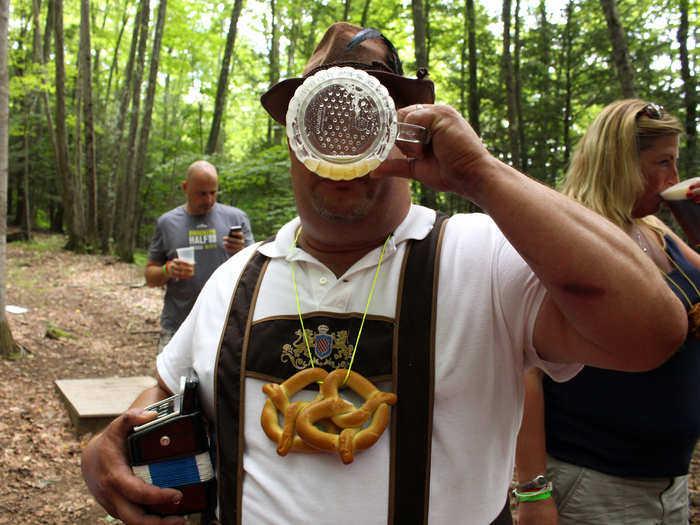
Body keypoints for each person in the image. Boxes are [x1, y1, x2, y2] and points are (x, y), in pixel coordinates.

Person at [81, 24, 686, 525]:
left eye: (366, 119)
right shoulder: (237, 277)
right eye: (321, 120)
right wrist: (108, 447)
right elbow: (165, 396)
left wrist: (478, 173)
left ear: (405, 129)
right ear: (294, 136)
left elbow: (651, 331)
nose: (342, 148)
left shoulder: (486, 257)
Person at [514, 99, 700, 525]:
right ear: (618, 163)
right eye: (663, 163)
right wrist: (533, 492)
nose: (674, 179)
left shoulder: (656, 231)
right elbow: (527, 372)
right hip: (594, 485)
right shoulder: (567, 237)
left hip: (668, 484)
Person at [144, 160, 254, 352]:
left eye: (213, 192)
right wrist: (167, 269)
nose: (209, 199)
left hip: (224, 325)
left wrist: (242, 252)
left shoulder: (236, 218)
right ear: (185, 188)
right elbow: (150, 276)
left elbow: (256, 271)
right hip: (177, 324)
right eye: (202, 193)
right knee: (168, 382)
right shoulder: (167, 223)